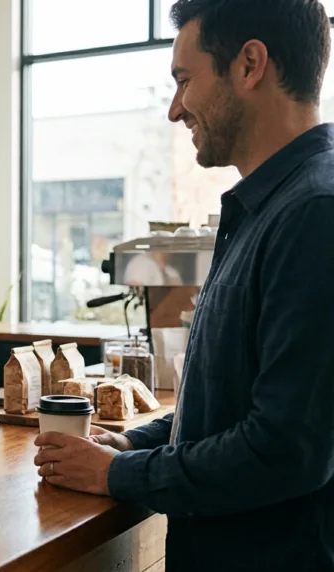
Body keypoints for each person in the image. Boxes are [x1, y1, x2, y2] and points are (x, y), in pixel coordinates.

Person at [33, 1, 334, 569]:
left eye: (184, 80)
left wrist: (118, 474)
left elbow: (284, 452)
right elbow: (228, 405)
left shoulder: (314, 213)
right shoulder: (262, 210)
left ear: (249, 65)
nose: (175, 110)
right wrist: (131, 444)